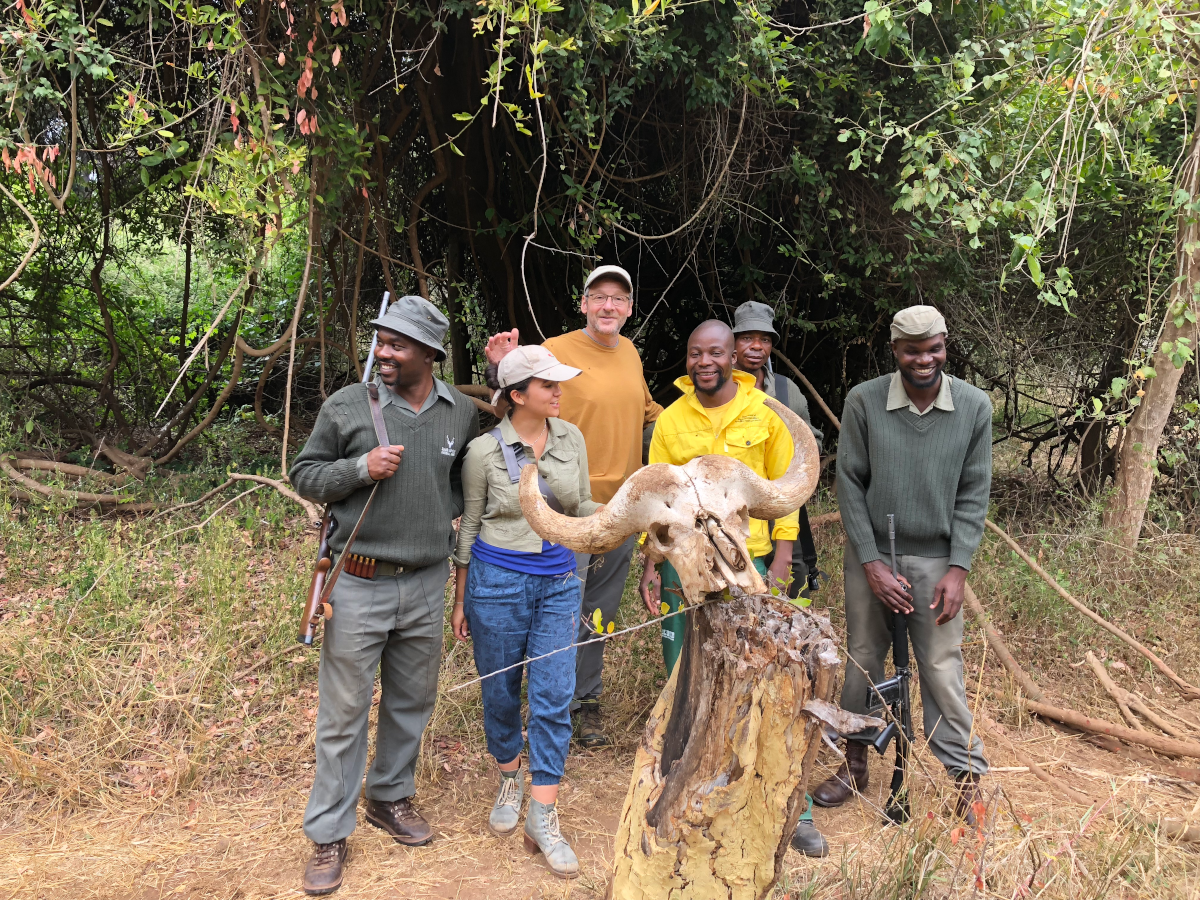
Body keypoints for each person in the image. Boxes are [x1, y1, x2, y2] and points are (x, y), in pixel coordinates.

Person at [289, 296, 479, 896]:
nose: (383, 352)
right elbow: (305, 473)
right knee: (343, 716)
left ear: (430, 353)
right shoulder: (349, 406)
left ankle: (389, 797)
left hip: (425, 582)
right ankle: (327, 832)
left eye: (397, 344)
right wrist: (359, 469)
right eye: (381, 341)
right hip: (360, 582)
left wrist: (435, 516)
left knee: (410, 703)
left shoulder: (459, 413)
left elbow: (466, 478)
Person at [637, 320, 828, 856]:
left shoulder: (763, 413)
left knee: (770, 672)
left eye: (715, 352)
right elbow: (656, 501)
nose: (705, 362)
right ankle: (683, 795)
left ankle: (795, 810)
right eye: (696, 353)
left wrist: (783, 559)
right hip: (685, 566)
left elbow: (786, 489)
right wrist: (652, 565)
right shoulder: (671, 420)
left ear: (732, 357)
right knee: (685, 675)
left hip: (752, 561)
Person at [814, 305, 991, 825]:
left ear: (944, 346)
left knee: (940, 666)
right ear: (895, 351)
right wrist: (870, 564)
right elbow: (849, 484)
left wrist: (958, 569)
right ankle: (854, 763)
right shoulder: (865, 401)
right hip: (873, 556)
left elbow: (974, 493)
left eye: (933, 348)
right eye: (912, 350)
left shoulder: (974, 406)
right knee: (864, 654)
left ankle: (965, 778)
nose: (924, 359)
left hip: (937, 560)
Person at [484, 265, 662, 747]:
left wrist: (702, 425)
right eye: (599, 297)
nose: (609, 306)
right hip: (565, 504)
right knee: (560, 608)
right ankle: (548, 705)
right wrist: (498, 365)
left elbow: (650, 415)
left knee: (598, 612)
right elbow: (515, 393)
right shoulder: (556, 350)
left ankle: (586, 703)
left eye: (619, 299)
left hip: (620, 508)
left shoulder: (631, 354)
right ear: (583, 304)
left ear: (629, 309)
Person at [449, 345, 599, 879]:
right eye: (548, 386)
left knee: (555, 695)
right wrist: (461, 597)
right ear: (517, 396)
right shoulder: (484, 453)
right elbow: (468, 526)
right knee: (500, 690)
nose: (560, 392)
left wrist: (630, 512)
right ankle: (509, 774)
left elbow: (581, 506)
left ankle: (543, 812)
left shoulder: (571, 439)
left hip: (559, 582)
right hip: (497, 582)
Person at [732, 301, 824, 597]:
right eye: (747, 338)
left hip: (786, 510)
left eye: (765, 339)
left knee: (790, 592)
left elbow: (812, 443)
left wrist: (794, 475)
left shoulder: (787, 392)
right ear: (732, 343)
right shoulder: (715, 389)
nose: (756, 346)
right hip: (735, 515)